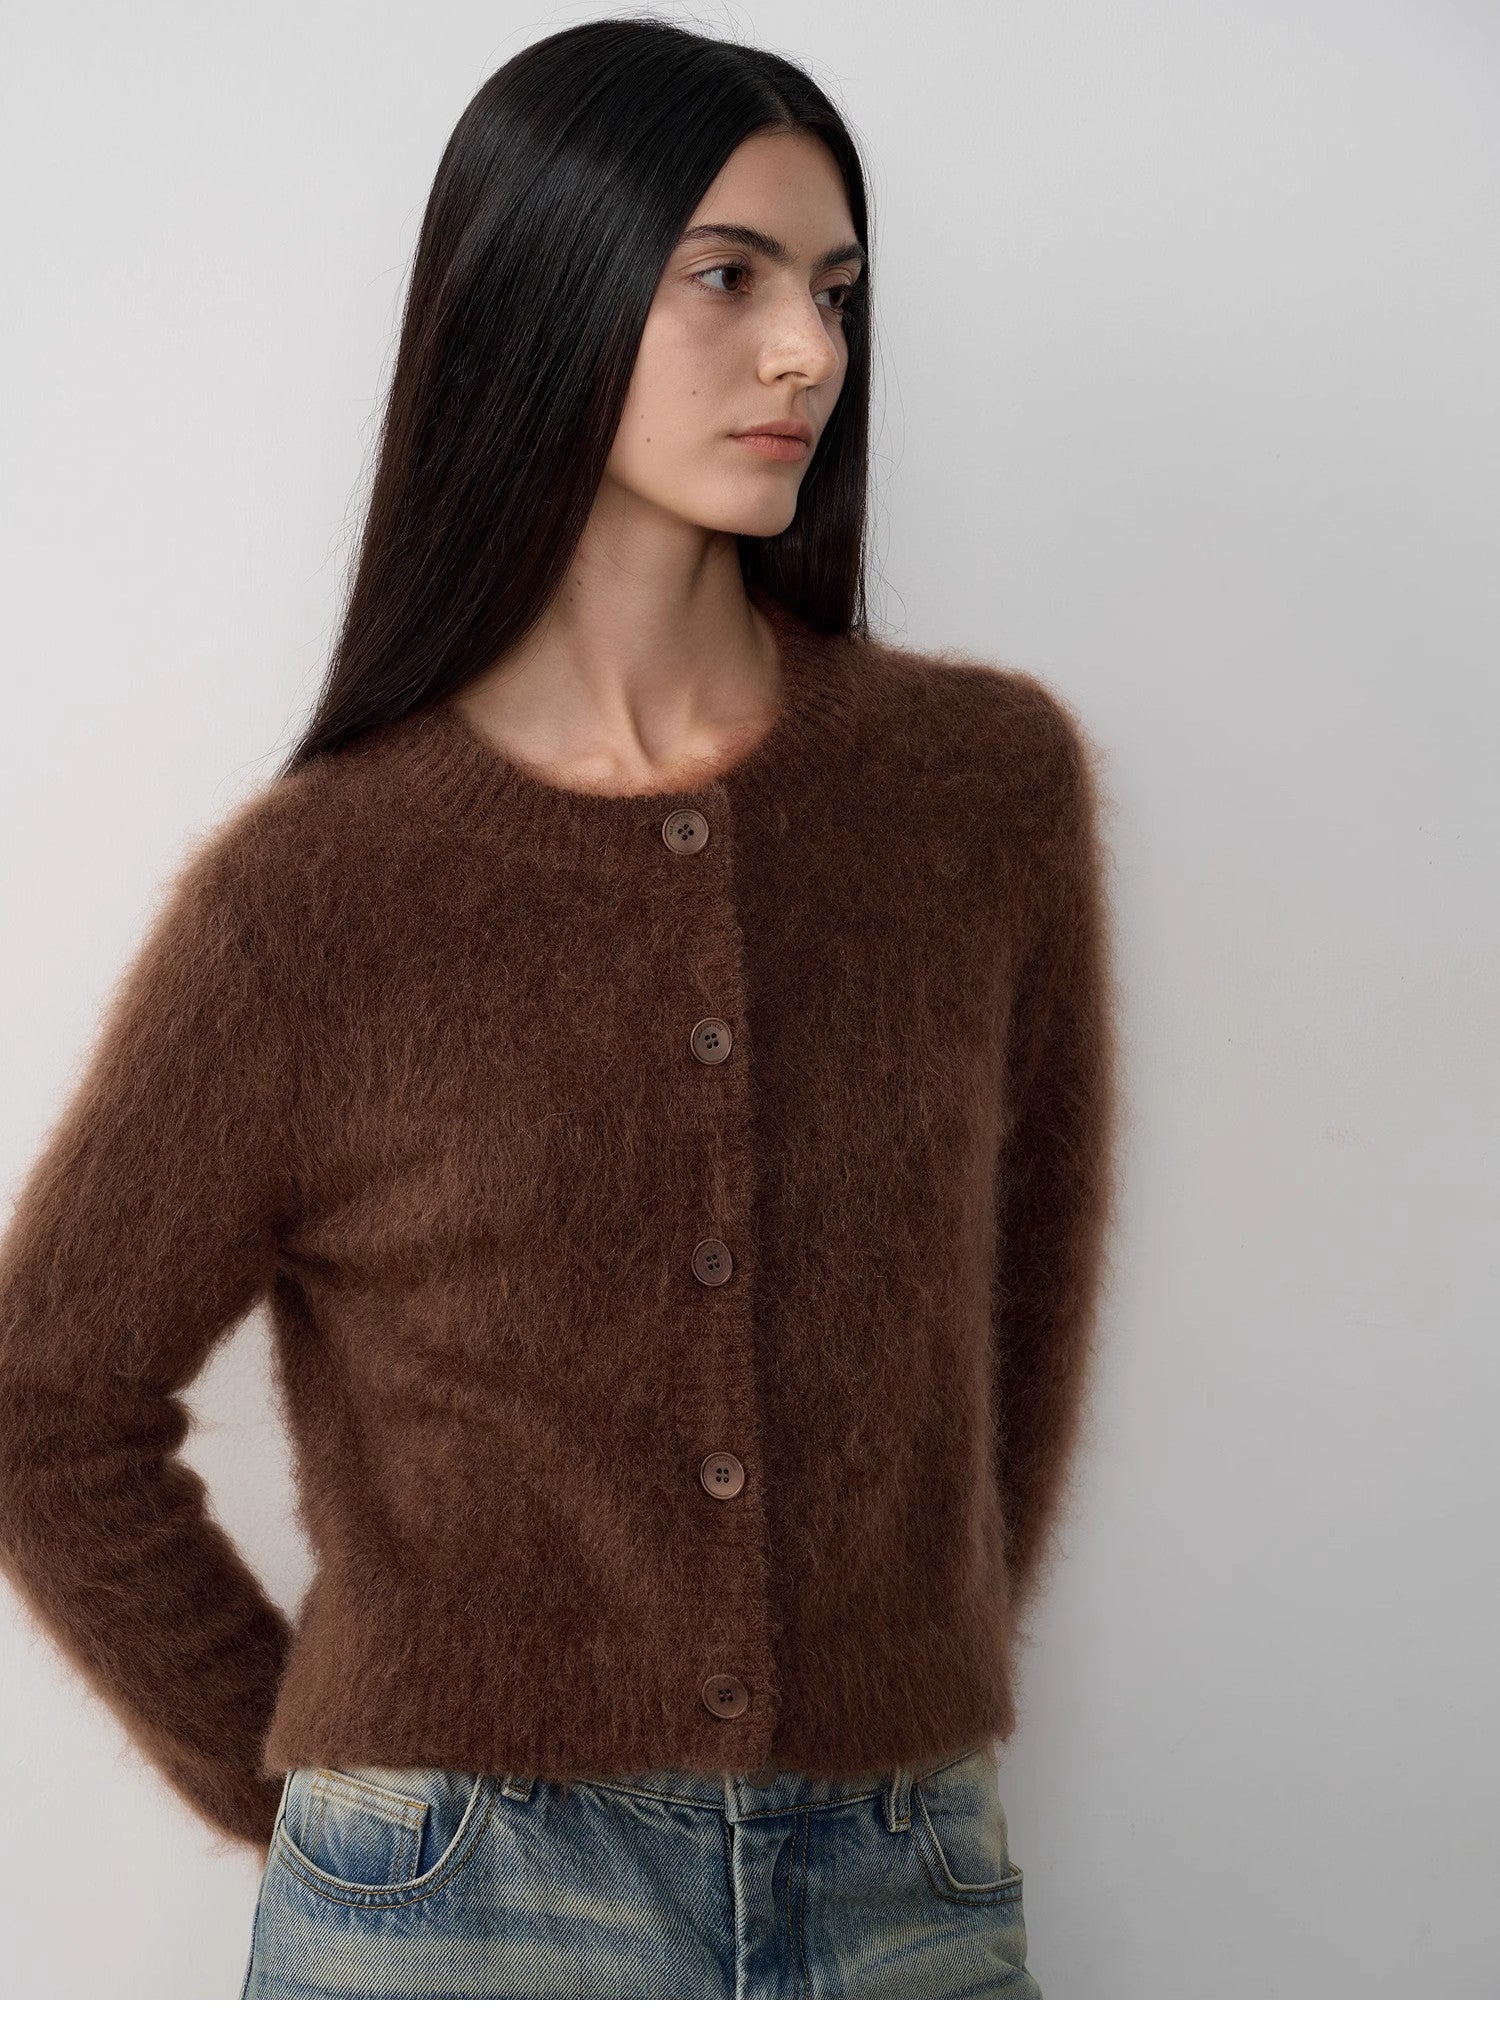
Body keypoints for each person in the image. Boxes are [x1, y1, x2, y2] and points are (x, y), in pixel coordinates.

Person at [0, 16, 1118, 1999]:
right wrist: (333, 1797)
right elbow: (42, 1402)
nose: (809, 353)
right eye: (728, 276)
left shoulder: (979, 792)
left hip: (905, 1879)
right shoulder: (318, 892)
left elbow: (1016, 1300)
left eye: (836, 291)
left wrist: (901, 1673)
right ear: (542, 293)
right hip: (454, 1908)